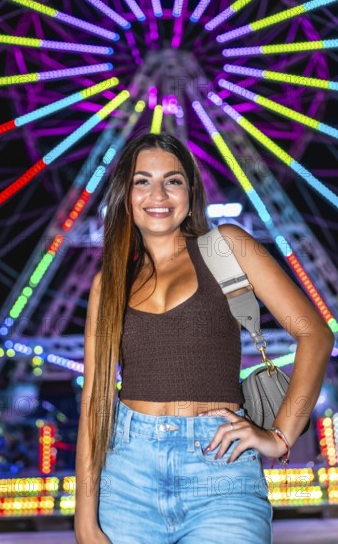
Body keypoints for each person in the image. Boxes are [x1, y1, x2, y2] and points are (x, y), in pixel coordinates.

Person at [74, 132, 335, 543]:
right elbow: (95, 400)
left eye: (173, 180)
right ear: (126, 194)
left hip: (220, 473)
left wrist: (280, 434)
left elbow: (315, 334)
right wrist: (85, 522)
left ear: (190, 192)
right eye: (143, 181)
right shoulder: (109, 285)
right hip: (127, 477)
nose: (157, 193)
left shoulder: (226, 247)